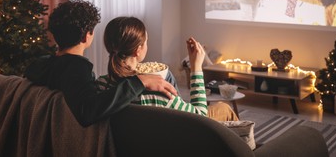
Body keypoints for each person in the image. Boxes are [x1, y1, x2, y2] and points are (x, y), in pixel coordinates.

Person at [24, 0, 178, 127]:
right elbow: (88, 110)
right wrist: (139, 82)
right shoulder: (77, 67)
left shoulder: (41, 64)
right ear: (86, 36)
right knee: (168, 77)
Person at [96, 16, 238, 121]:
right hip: (178, 143)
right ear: (138, 51)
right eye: (146, 41)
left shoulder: (100, 87)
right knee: (224, 108)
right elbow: (200, 117)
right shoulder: (160, 94)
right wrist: (196, 68)